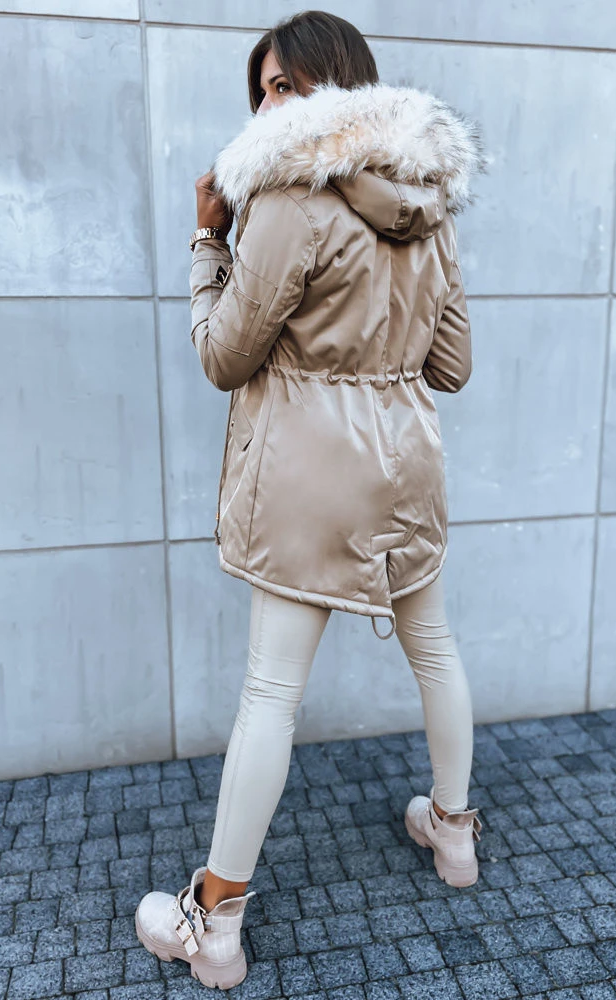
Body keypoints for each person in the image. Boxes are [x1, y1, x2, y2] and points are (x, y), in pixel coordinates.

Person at [135, 9, 485, 990]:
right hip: (406, 469)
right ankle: (454, 833)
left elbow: (223, 356)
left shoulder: (286, 199)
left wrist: (208, 243)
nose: (268, 108)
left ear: (335, 84)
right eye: (262, 90)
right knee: (434, 646)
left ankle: (213, 923)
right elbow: (452, 365)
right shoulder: (430, 201)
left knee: (270, 694)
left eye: (283, 86)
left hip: (308, 480)